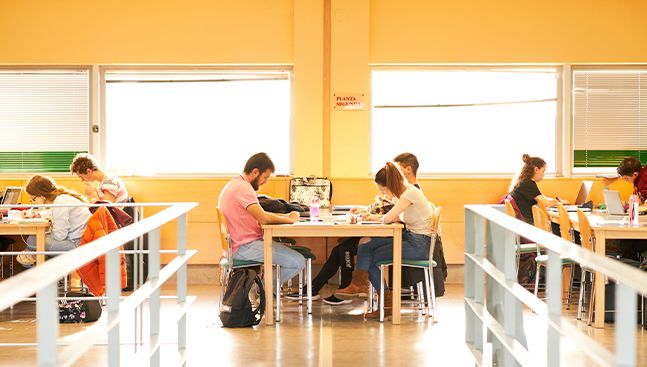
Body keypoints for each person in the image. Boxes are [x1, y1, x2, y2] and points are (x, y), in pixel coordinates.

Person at [218, 152, 306, 292]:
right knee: (298, 262)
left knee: (292, 257)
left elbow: (260, 214)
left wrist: (284, 216)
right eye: (265, 177)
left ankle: (261, 289)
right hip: (244, 247)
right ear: (255, 172)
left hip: (237, 246)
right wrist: (289, 219)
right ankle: (261, 290)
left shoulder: (235, 184)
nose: (265, 182)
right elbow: (263, 218)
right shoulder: (243, 188)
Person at [357, 162, 433, 319]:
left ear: (390, 184)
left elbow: (388, 218)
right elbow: (396, 217)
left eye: (383, 190)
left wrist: (378, 218)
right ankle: (358, 283)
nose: (384, 194)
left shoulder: (409, 194)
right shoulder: (408, 193)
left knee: (371, 256)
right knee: (365, 242)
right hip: (412, 238)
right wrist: (373, 217)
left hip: (419, 245)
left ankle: (385, 303)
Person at [16, 175, 92, 267]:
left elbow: (59, 236)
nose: (33, 201)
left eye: (33, 198)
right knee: (36, 240)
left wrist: (47, 233)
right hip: (79, 240)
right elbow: (53, 212)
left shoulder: (60, 203)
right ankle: (33, 257)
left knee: (32, 240)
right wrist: (38, 215)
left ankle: (30, 258)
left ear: (41, 196)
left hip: (76, 245)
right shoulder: (62, 199)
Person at [509, 154, 560, 224]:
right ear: (536, 169)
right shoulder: (528, 183)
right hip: (529, 223)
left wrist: (554, 201)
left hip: (523, 220)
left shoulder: (523, 182)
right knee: (556, 225)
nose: (544, 174)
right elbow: (545, 202)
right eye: (543, 171)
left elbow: (543, 198)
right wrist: (558, 202)